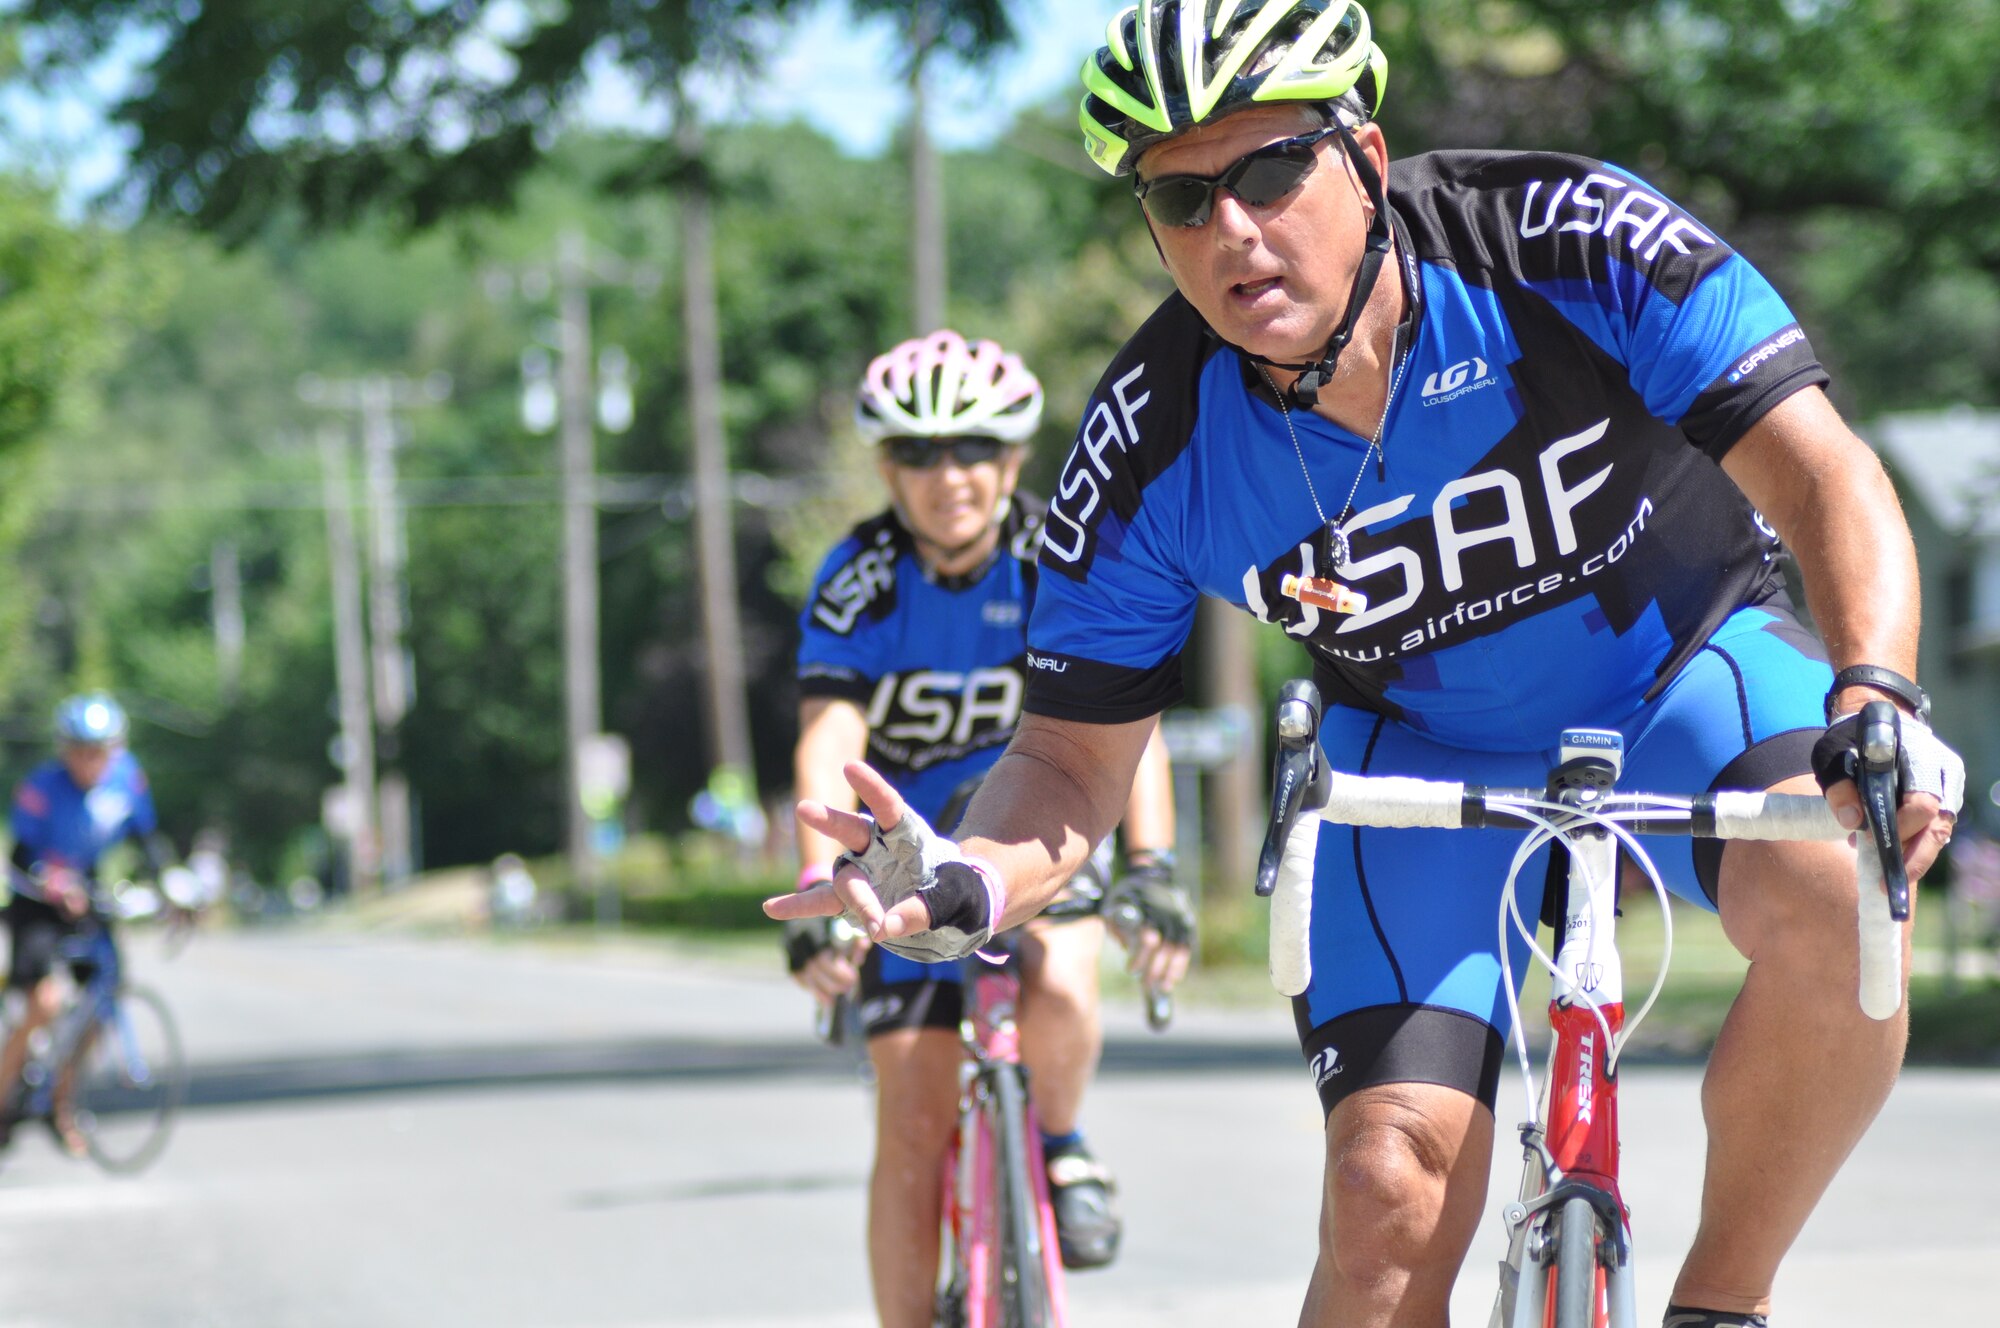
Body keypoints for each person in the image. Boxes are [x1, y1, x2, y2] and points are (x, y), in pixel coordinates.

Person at [767, 6, 1965, 1328]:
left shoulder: (1566, 238)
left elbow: (1824, 475)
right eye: (1180, 195)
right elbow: (1065, 759)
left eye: (1272, 170)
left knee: (1841, 890)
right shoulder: (1147, 447)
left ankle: (1721, 1299)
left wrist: (1876, 692)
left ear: (1368, 155)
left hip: (1683, 667)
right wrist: (960, 876)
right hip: (1419, 752)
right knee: (1386, 1193)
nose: (1233, 227)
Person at [784, 328, 1193, 1328]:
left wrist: (1155, 865)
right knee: (913, 1113)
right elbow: (826, 734)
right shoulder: (860, 576)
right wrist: (814, 888)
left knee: (1060, 980)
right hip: (909, 855)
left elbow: (1124, 730)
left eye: (972, 448)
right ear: (886, 466)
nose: (947, 475)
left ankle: (1057, 1137)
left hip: (1031, 833)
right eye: (918, 454)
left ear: (1012, 458)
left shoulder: (1058, 550)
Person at [2, 693, 173, 1155]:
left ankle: (61, 1104)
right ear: (64, 749)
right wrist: (53, 880)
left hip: (88, 889)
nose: (89, 761)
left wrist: (168, 889)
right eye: (79, 750)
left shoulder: (127, 780)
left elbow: (145, 837)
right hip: (37, 896)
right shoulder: (42, 787)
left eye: (99, 750)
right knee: (46, 1001)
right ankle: (2, 1096)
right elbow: (21, 853)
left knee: (103, 997)